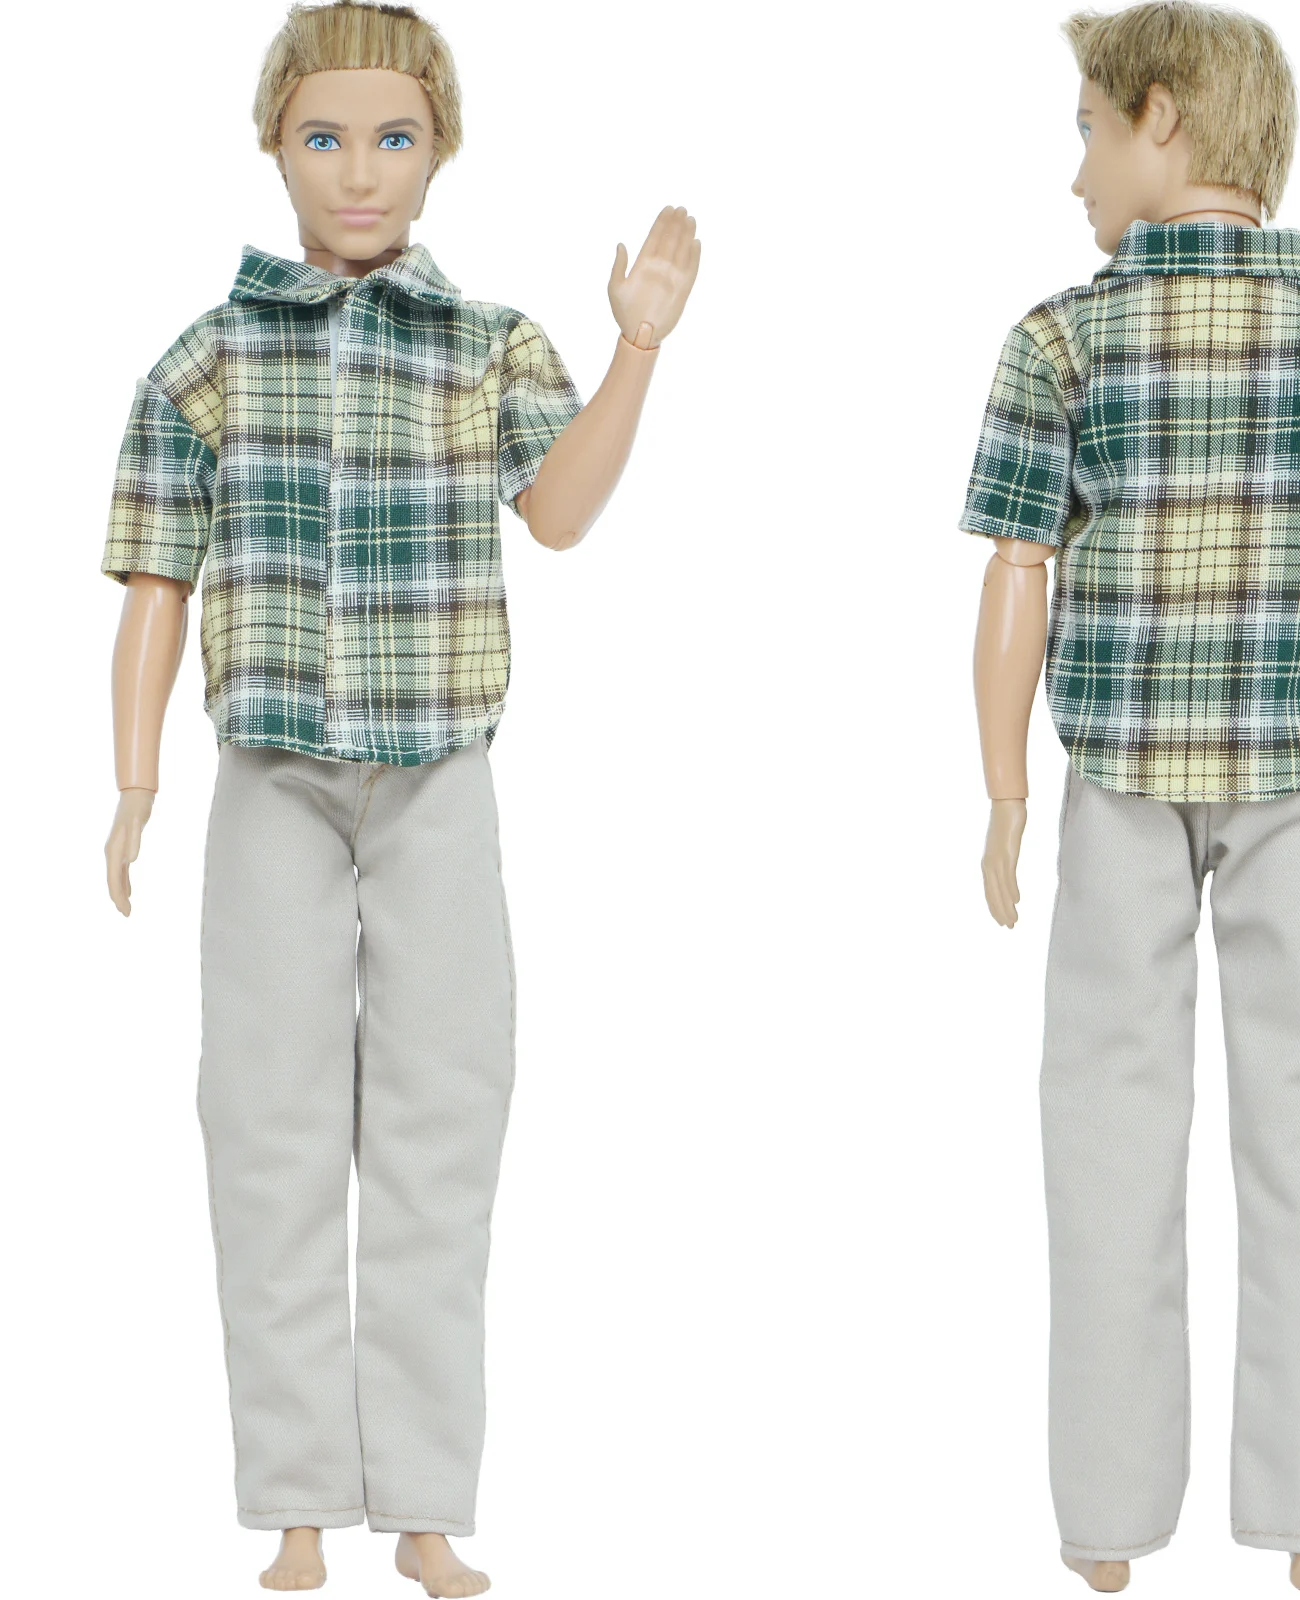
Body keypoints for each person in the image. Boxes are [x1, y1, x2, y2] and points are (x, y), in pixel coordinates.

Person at [100, 4, 699, 1593]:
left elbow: (557, 512)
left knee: (446, 1124)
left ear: (440, 149)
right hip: (268, 779)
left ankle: (425, 1502)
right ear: (272, 145)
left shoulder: (486, 343)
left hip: (439, 776)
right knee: (266, 1129)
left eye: (392, 137)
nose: (358, 171)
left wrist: (637, 349)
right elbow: (157, 576)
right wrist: (136, 776)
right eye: (324, 136)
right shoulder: (209, 357)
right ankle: (298, 1503)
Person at [962, 4, 1300, 1591]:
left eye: (1088, 133)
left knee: (1104, 1135)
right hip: (1297, 777)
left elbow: (1016, 576)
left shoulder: (1059, 342)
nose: (1075, 176)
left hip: (1114, 778)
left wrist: (1004, 788)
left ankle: (1108, 1525)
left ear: (1159, 118)